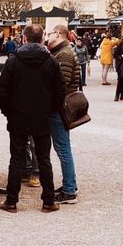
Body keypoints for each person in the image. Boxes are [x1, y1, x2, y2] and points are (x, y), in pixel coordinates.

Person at [0, 24, 65, 214]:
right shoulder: (51, 61)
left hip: (18, 116)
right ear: (42, 39)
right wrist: (50, 109)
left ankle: (11, 201)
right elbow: (60, 91)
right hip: (42, 116)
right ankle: (48, 201)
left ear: (24, 39)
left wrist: (8, 111)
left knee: (16, 158)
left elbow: (3, 90)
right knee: (44, 159)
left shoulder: (13, 61)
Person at [47, 25, 80, 204]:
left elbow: (63, 83)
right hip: (59, 106)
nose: (47, 36)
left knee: (63, 148)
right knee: (63, 147)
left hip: (59, 108)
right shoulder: (62, 51)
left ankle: (69, 191)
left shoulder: (64, 54)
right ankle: (70, 185)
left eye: (50, 33)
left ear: (59, 34)